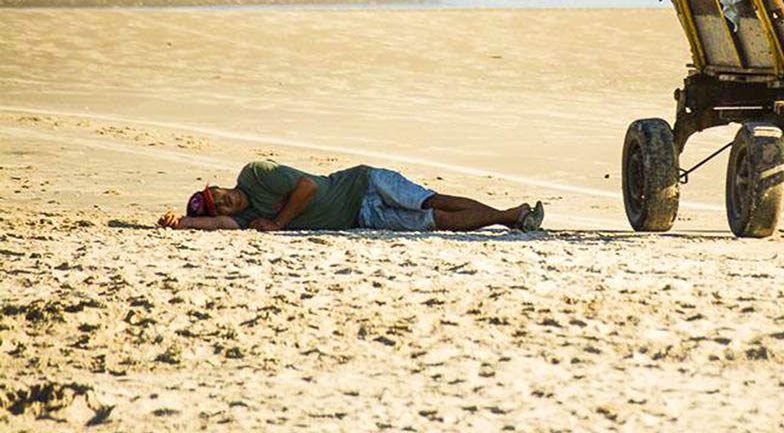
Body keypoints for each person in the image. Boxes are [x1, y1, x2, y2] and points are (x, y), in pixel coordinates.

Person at [157, 160, 544, 233]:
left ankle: (509, 213)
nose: (225, 203)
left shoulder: (255, 174)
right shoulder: (244, 218)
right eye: (217, 205)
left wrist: (278, 222)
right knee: (434, 222)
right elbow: (221, 224)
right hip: (362, 218)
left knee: (428, 201)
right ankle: (508, 217)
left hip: (363, 184)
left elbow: (306, 186)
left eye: (217, 195)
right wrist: (183, 223)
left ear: (218, 186)